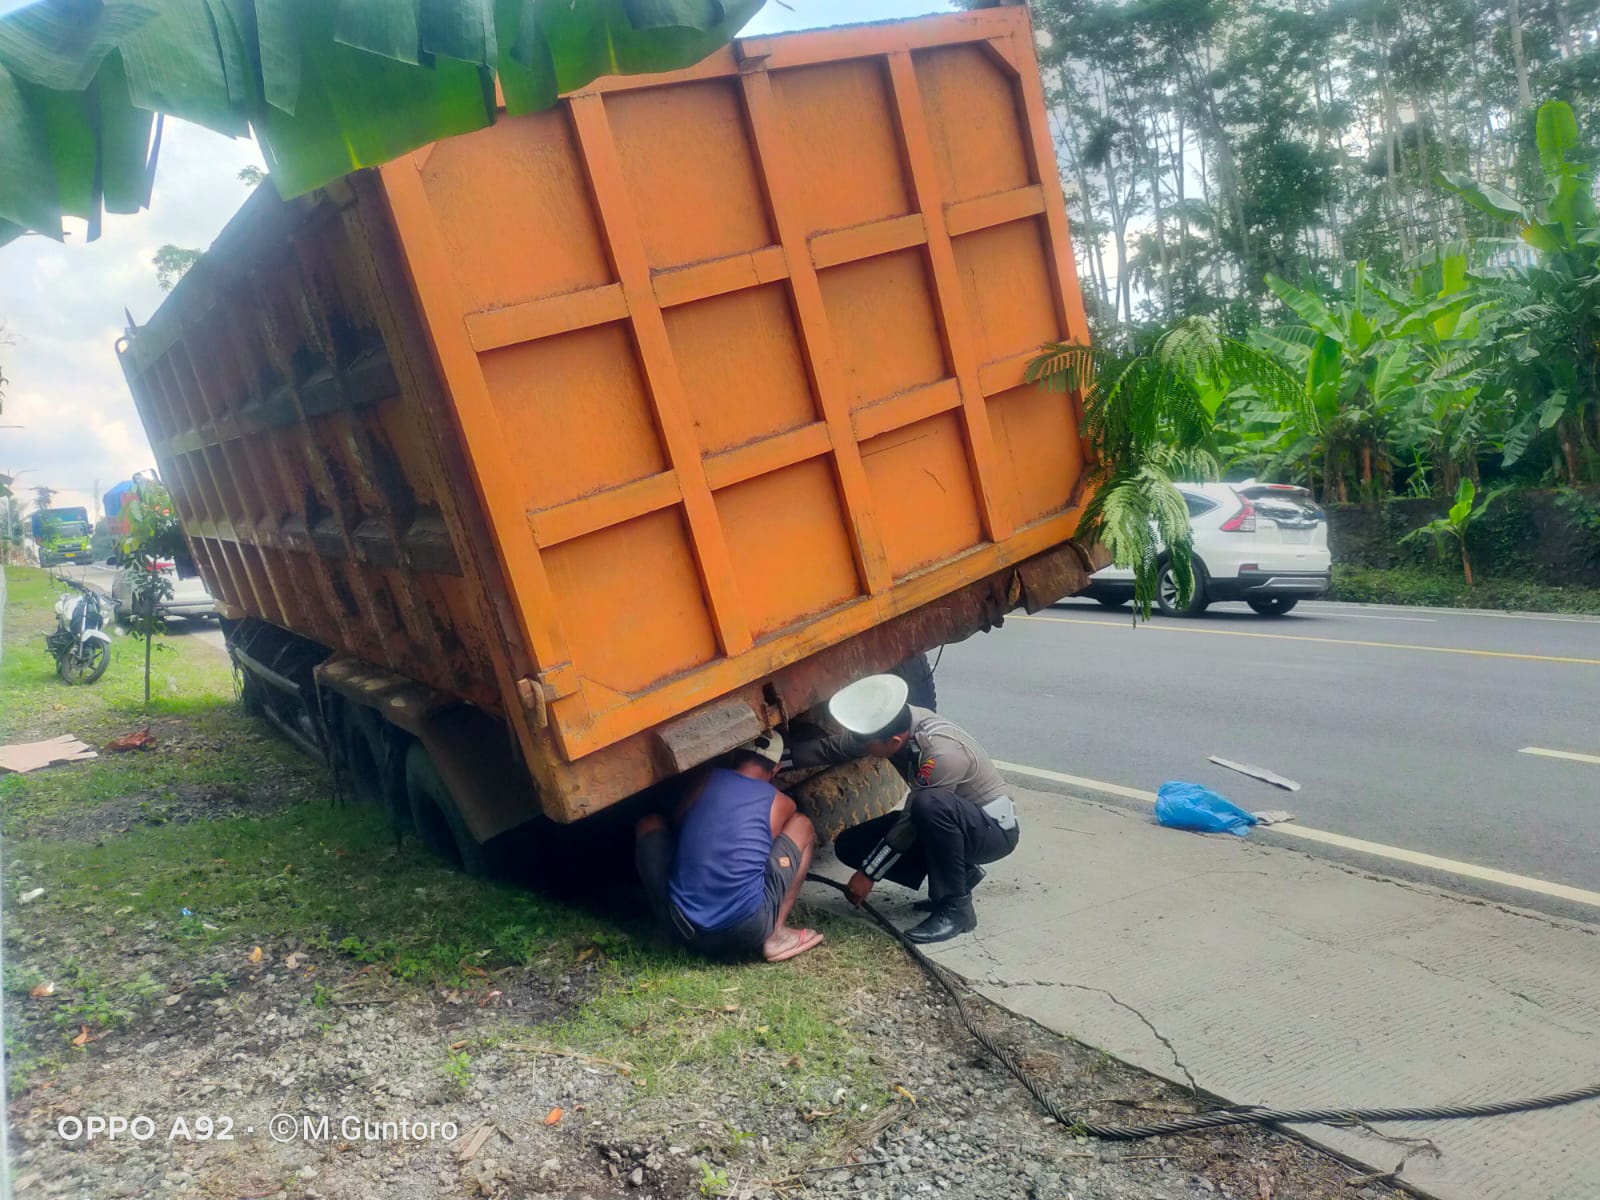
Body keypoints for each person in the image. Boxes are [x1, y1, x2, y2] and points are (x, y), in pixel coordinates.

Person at [790, 674, 1019, 944]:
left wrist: (868, 874)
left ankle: (957, 908)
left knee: (928, 804)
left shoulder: (942, 753)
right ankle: (961, 874)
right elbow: (834, 748)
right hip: (952, 821)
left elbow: (913, 820)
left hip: (991, 833)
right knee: (851, 844)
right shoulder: (893, 725)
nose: (862, 747)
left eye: (867, 745)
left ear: (894, 743)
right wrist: (773, 760)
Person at [635, 731, 823, 963]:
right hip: (745, 931)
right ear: (775, 770)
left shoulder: (704, 780)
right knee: (802, 825)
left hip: (682, 925)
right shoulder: (781, 802)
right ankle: (775, 935)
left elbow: (679, 825)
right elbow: (761, 851)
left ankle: (663, 929)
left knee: (649, 823)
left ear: (733, 755)